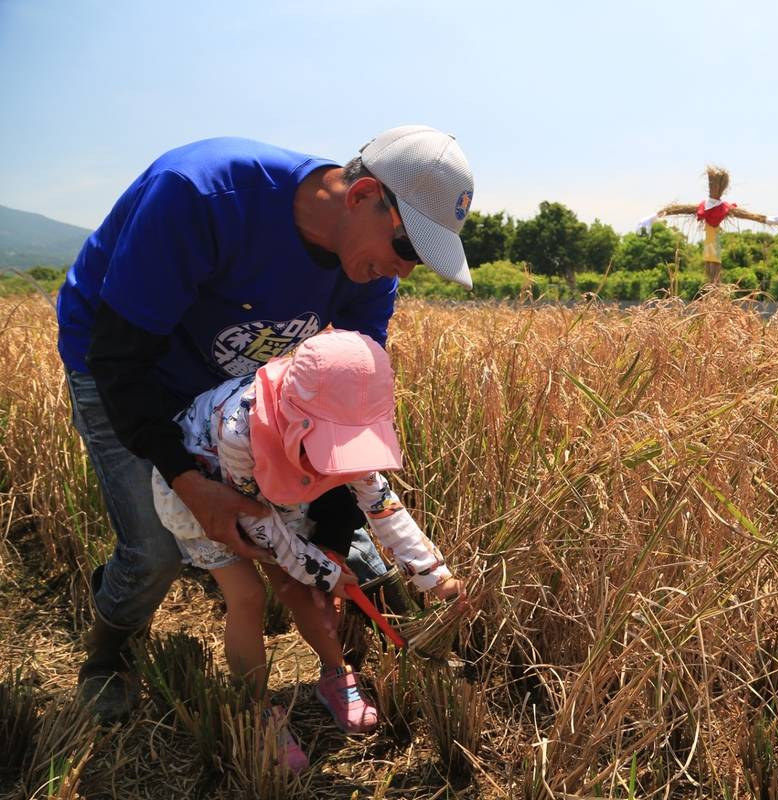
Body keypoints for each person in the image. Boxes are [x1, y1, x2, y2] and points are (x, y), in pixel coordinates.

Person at [56, 125, 475, 722]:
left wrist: (324, 546)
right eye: (408, 249)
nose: (403, 273)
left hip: (237, 391)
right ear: (362, 197)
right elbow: (118, 359)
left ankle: (346, 659)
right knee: (154, 550)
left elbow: (344, 418)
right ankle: (108, 656)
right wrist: (189, 482)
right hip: (124, 367)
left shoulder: (368, 274)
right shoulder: (200, 196)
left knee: (343, 548)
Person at [151, 330, 464, 771]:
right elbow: (253, 521)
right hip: (210, 498)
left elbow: (380, 502)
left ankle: (335, 672)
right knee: (248, 597)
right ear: (299, 421)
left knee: (303, 591)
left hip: (277, 495)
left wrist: (434, 574)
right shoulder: (241, 427)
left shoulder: (339, 417)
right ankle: (257, 707)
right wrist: (326, 571)